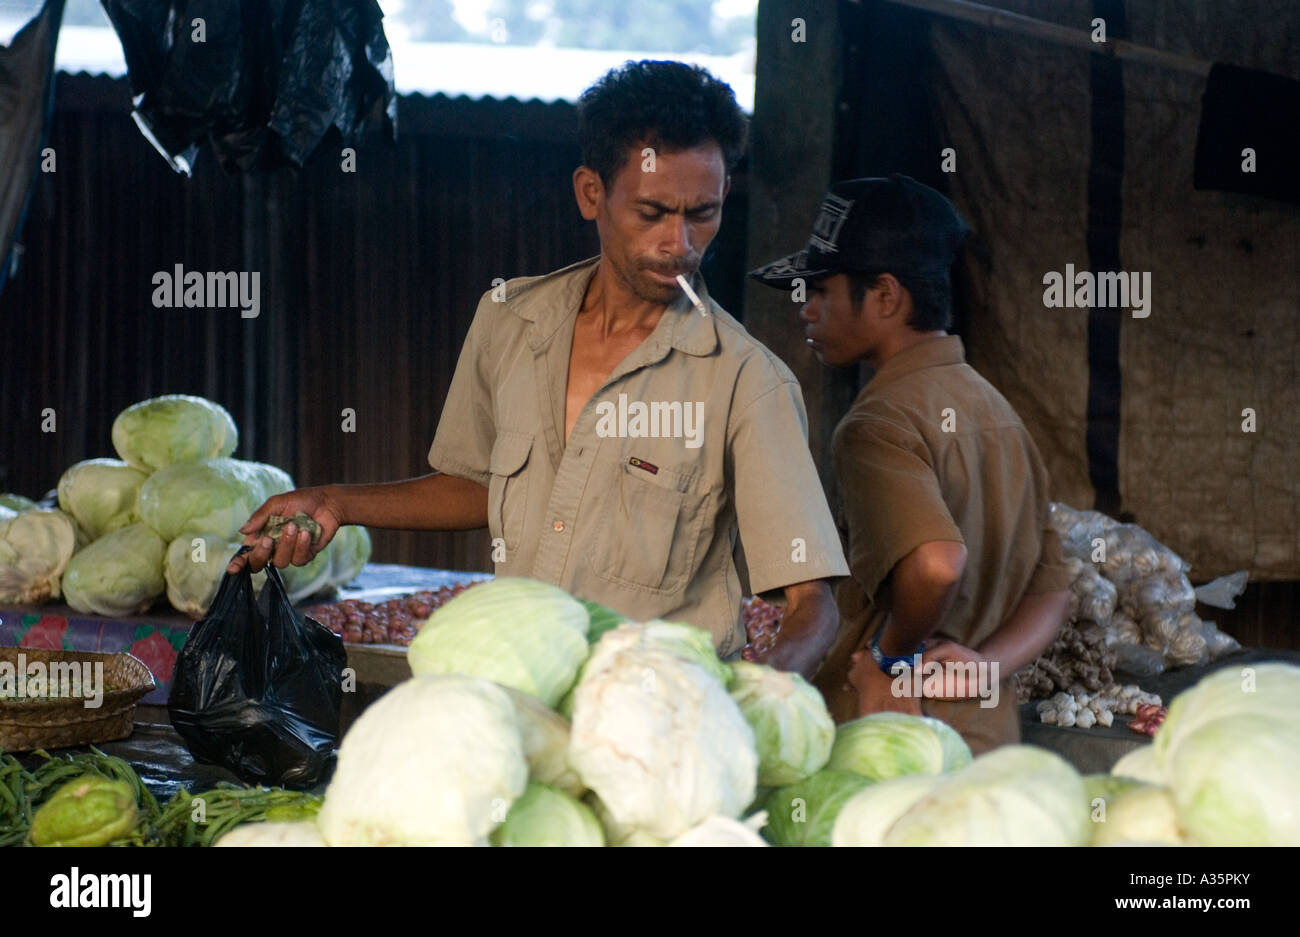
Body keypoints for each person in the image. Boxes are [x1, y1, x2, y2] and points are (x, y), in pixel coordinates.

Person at [229, 61, 849, 677]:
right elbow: (478, 484)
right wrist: (336, 501)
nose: (680, 244)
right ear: (591, 193)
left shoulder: (745, 381)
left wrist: (768, 691)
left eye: (703, 214)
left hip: (660, 724)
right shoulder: (510, 322)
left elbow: (812, 604)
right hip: (518, 699)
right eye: (653, 213)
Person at [749, 174, 1072, 752]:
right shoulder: (999, 412)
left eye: (821, 291)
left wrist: (888, 657)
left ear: (886, 297)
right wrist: (982, 666)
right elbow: (1052, 594)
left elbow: (937, 563)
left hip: (894, 738)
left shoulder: (877, 424)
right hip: (985, 739)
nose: (806, 311)